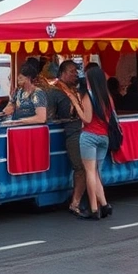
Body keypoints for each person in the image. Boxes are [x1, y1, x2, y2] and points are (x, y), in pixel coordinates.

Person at [64, 66, 114, 220]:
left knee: (90, 172)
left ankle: (94, 209)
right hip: (104, 137)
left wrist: (77, 107)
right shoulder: (108, 97)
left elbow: (87, 118)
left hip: (89, 136)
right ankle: (104, 205)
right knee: (97, 172)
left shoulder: (88, 97)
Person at [50, 60, 87, 217]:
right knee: (81, 168)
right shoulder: (54, 91)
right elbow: (49, 116)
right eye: (72, 71)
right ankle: (75, 203)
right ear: (62, 73)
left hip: (83, 131)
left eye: (76, 71)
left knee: (87, 168)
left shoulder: (76, 90)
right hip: (72, 133)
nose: (75, 74)